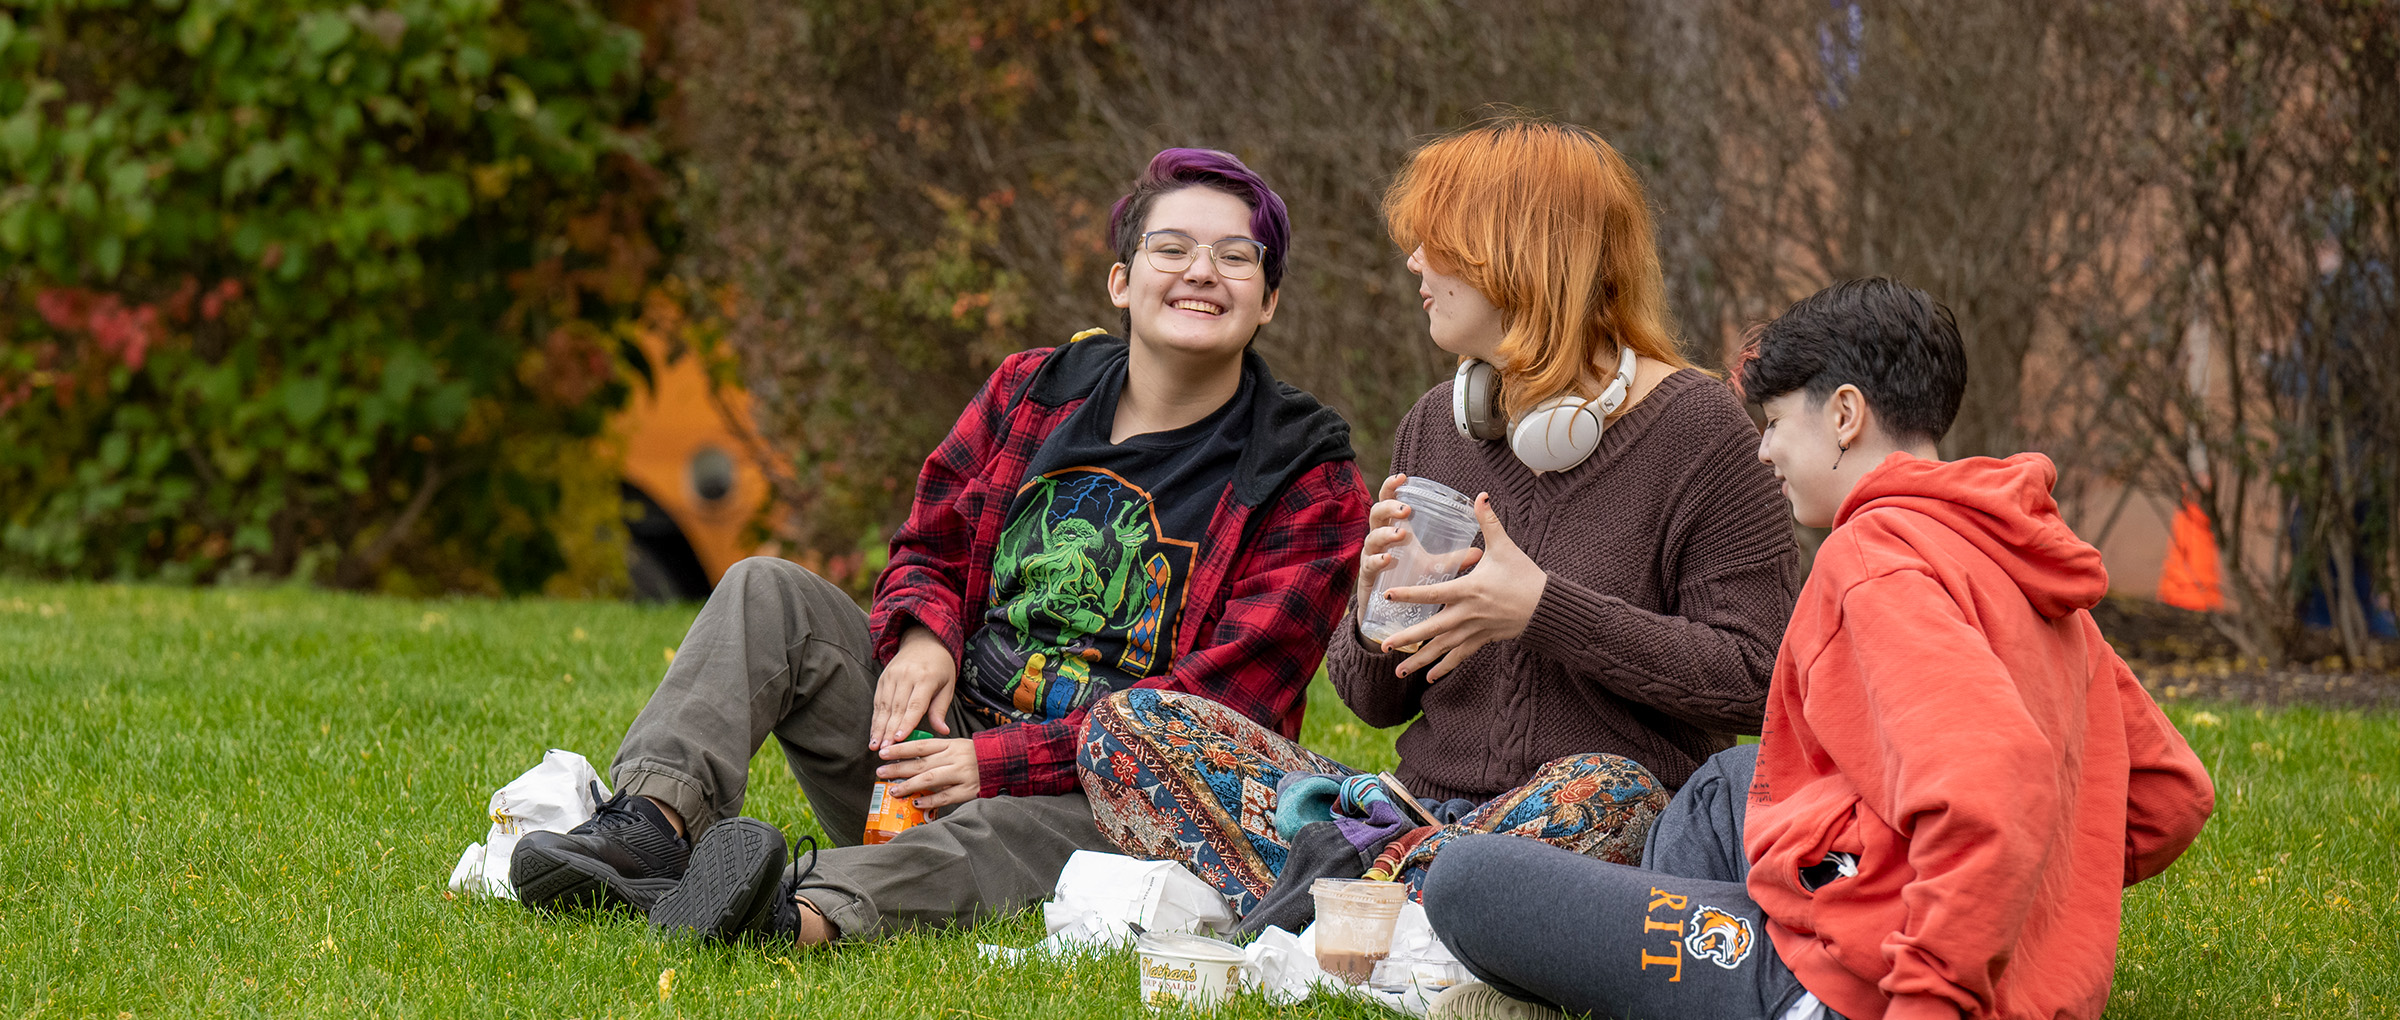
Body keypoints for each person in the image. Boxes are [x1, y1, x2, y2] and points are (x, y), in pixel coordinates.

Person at [507, 148, 1371, 945]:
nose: (1201, 273)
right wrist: (925, 635)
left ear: (1270, 299)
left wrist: (993, 765)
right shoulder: (1033, 391)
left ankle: (787, 909)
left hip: (1106, 798)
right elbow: (929, 547)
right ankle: (651, 828)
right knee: (766, 590)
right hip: (933, 750)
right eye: (1171, 247)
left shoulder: (1306, 477)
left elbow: (1213, 720)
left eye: (1236, 257)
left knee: (1008, 829)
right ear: (1121, 279)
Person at [1418, 278, 2215, 1020]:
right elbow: (2169, 794)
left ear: (1843, 414)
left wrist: (1930, 985)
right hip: (1942, 948)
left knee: (1471, 881)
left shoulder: (1872, 563)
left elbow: (1991, 783)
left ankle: (1722, 986)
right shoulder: (2010, 553)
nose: (1763, 453)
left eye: (1773, 425)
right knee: (1734, 781)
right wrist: (2034, 917)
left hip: (1853, 987)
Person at [1077, 118, 1797, 922]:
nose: (1415, 263)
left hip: (1571, 829)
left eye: (1437, 243)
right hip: (1410, 816)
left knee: (1615, 794)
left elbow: (1759, 680)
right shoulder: (1438, 423)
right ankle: (1392, 907)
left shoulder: (1701, 431)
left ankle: (1338, 902)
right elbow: (1371, 701)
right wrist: (1381, 599)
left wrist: (1539, 610)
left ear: (1515, 255)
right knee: (1131, 726)